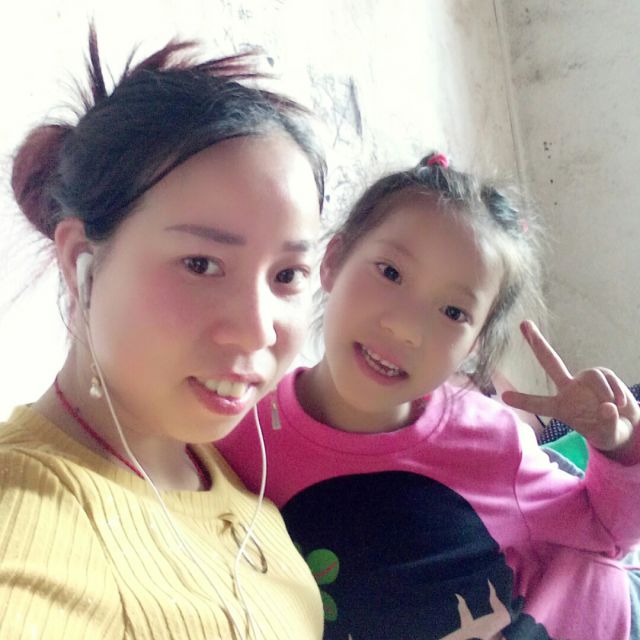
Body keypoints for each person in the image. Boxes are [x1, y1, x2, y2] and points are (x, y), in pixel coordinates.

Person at [217, 153, 640, 639]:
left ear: (474, 345)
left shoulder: (489, 442)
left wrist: (618, 447)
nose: (407, 328)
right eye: (390, 273)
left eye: (454, 312)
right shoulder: (238, 427)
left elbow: (608, 533)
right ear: (332, 261)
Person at [0, 26, 328, 640]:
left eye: (288, 275)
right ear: (80, 262)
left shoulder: (229, 473)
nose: (256, 331)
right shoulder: (24, 523)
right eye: (201, 264)